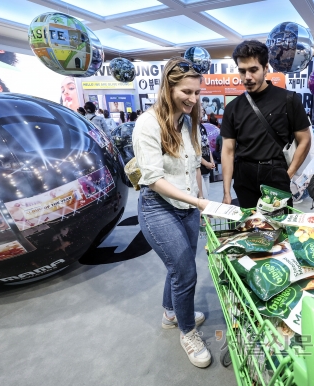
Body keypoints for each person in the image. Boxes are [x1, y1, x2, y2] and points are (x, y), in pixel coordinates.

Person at [132, 57, 211, 368]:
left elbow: (191, 165)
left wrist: (200, 195)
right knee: (185, 272)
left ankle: (170, 313)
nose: (192, 99)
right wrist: (197, 203)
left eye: (197, 92)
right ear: (168, 87)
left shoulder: (187, 120)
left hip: (188, 206)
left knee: (181, 266)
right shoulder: (147, 123)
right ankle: (187, 330)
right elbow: (153, 178)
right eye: (186, 92)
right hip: (158, 208)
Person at [220, 40, 311, 208]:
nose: (247, 77)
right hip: (244, 176)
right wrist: (226, 192)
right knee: (248, 228)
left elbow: (305, 139)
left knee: (278, 228)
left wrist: (287, 175)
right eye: (242, 71)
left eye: (253, 70)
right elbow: (228, 150)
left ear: (266, 68)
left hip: (275, 173)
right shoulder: (233, 107)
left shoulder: (288, 99)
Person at [199, 123, 216, 198]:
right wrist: (206, 164)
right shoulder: (191, 126)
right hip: (199, 168)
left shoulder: (202, 127)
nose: (202, 111)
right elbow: (194, 153)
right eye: (200, 110)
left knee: (207, 196)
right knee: (203, 196)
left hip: (207, 167)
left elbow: (207, 146)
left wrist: (211, 160)